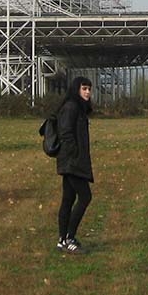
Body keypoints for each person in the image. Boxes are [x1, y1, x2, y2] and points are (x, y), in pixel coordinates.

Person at [56, 76, 95, 254]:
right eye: (84, 88)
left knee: (68, 199)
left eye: (89, 89)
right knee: (85, 196)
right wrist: (75, 154)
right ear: (76, 89)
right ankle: (69, 238)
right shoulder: (71, 107)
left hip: (72, 161)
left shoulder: (78, 108)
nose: (87, 92)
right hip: (72, 162)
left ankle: (62, 239)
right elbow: (65, 132)